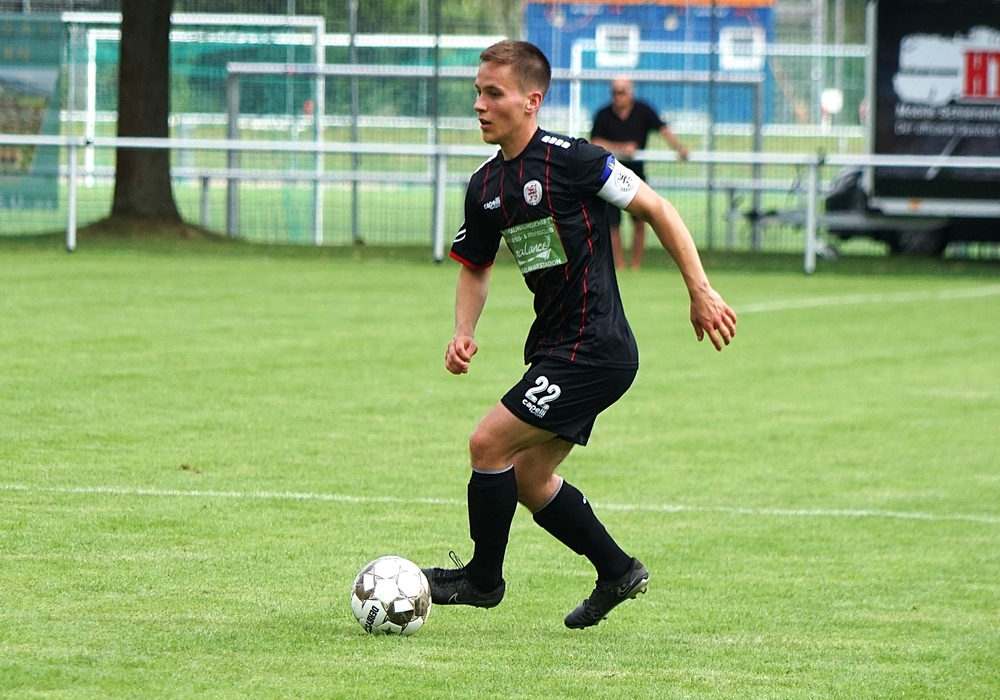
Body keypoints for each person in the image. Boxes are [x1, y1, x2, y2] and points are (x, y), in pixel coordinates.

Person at [421, 40, 736, 629]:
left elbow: (657, 208)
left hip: (593, 347)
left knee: (487, 445)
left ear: (531, 101)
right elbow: (476, 266)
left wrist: (700, 290)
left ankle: (482, 580)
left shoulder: (574, 160)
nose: (480, 105)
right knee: (527, 477)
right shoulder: (485, 185)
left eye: (494, 94)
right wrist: (463, 330)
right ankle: (617, 570)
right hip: (555, 346)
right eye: (477, 93)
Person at [590, 78, 689, 271]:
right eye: (614, 92)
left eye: (621, 92)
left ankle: (635, 266)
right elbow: (595, 141)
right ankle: (619, 266)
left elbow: (663, 129)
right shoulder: (603, 114)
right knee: (612, 224)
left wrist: (679, 148)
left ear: (631, 93)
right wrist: (621, 148)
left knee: (641, 220)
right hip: (610, 174)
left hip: (637, 175)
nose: (617, 97)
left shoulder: (643, 110)